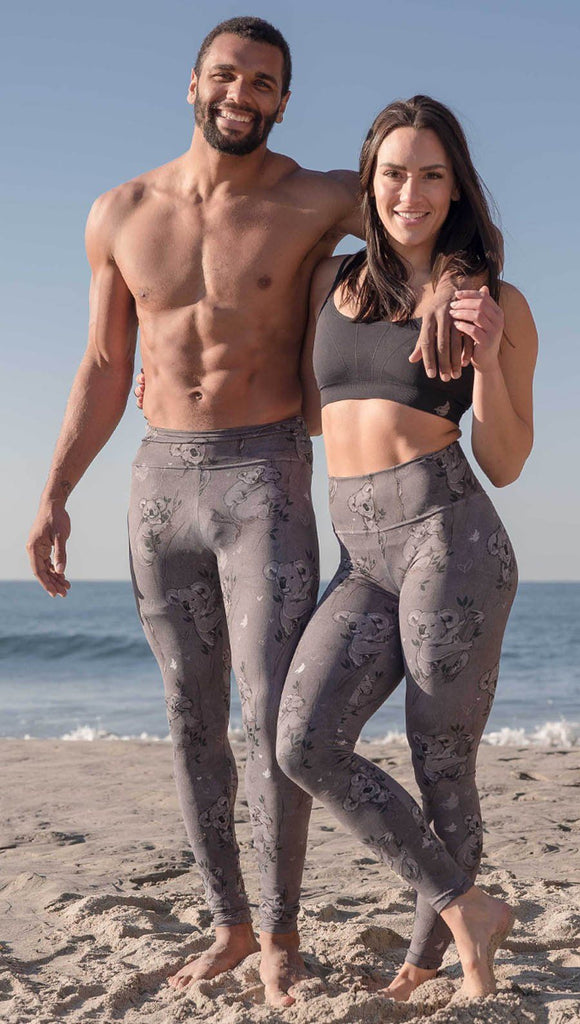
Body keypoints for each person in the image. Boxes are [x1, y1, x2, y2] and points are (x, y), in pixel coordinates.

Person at [27, 17, 474, 1008]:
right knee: (190, 715)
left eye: (263, 81)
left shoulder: (314, 197)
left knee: (270, 714)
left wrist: (449, 285)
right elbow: (106, 365)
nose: (242, 91)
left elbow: (418, 216)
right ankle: (228, 922)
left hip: (263, 478)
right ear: (193, 83)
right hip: (158, 487)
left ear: (281, 99)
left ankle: (278, 938)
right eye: (226, 73)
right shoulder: (119, 211)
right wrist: (56, 490)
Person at [275, 94, 537, 1002]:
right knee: (303, 742)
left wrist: (493, 358)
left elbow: (504, 459)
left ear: (456, 185)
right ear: (369, 180)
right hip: (360, 549)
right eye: (394, 173)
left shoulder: (490, 300)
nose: (410, 193)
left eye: (432, 175)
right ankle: (468, 904)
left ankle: (441, 962)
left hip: (449, 537)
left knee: (441, 761)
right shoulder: (333, 280)